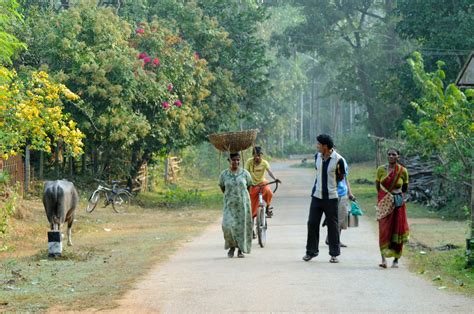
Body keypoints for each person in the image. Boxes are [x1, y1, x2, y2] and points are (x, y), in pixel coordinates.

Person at [303, 134, 346, 263]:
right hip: (316, 196)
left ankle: (334, 254)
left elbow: (341, 176)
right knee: (312, 223)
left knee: (332, 226)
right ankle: (311, 252)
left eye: (318, 144)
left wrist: (331, 186)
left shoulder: (338, 160)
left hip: (331, 197)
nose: (317, 146)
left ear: (325, 146)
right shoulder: (317, 157)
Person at [376, 148, 409, 268]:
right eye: (389, 154)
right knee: (384, 230)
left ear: (398, 157)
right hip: (384, 203)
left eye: (393, 154)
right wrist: (385, 198)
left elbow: (404, 188)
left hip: (398, 204)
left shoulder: (403, 171)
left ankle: (396, 260)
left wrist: (395, 196)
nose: (391, 156)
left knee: (397, 229)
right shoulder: (380, 170)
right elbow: (377, 186)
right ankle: (383, 260)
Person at [219, 152, 253, 258]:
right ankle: (231, 247)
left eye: (238, 160)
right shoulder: (224, 174)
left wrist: (242, 197)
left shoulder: (245, 173)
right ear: (229, 161)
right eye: (234, 160)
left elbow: (249, 187)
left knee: (242, 227)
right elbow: (222, 187)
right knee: (227, 226)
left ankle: (240, 250)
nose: (236, 162)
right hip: (229, 205)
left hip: (243, 205)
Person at [324, 159, 355, 247]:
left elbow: (346, 178)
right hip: (331, 194)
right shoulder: (325, 162)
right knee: (332, 218)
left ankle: (334, 239)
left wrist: (350, 193)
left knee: (341, 218)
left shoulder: (342, 161)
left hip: (342, 194)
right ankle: (332, 239)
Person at [246, 146, 281, 220]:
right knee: (252, 204)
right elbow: (245, 173)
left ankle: (267, 208)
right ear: (253, 155)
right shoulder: (249, 162)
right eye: (256, 155)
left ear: (261, 155)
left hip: (262, 183)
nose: (258, 157)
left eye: (259, 155)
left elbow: (269, 172)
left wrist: (275, 178)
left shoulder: (264, 163)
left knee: (269, 192)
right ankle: (252, 219)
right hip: (252, 185)